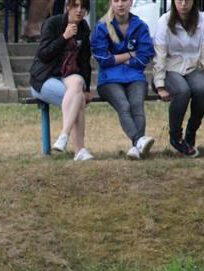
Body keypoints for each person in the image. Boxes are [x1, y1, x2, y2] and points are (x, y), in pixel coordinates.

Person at [29, 0, 94, 161]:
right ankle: (80, 150)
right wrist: (64, 37)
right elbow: (43, 55)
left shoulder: (84, 28)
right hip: (44, 77)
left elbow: (85, 61)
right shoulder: (53, 23)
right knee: (77, 99)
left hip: (68, 76)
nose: (79, 11)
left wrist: (86, 88)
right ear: (67, 7)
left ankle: (64, 135)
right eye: (75, 6)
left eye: (83, 7)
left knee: (78, 85)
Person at [92, 0, 155, 159]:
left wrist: (118, 58)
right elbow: (103, 59)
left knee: (136, 105)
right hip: (109, 80)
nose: (120, 4)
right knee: (124, 105)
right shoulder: (101, 27)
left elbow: (145, 56)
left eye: (124, 0)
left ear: (131, 2)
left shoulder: (141, 26)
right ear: (111, 3)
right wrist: (130, 55)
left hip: (135, 77)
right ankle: (139, 141)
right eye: (116, 0)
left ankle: (137, 149)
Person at [153, 0, 204, 157]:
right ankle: (176, 137)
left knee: (202, 89)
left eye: (187, 0)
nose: (183, 4)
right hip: (170, 68)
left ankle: (191, 132)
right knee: (182, 91)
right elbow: (160, 54)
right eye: (179, 0)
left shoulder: (202, 20)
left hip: (194, 67)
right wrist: (160, 85)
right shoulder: (164, 21)